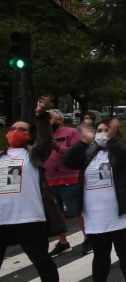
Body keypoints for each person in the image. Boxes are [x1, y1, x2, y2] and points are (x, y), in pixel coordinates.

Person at [63, 118, 126, 282]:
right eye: (99, 130)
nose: (102, 133)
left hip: (120, 213)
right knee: (100, 254)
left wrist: (112, 140)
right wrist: (83, 141)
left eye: (107, 130)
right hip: (95, 215)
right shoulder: (89, 152)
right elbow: (68, 162)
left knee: (125, 251)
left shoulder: (120, 149)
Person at [0, 96, 67, 282]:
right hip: (2, 219)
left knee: (41, 261)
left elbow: (47, 139)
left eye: (21, 129)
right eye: (12, 128)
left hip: (28, 218)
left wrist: (40, 115)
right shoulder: (1, 157)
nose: (15, 131)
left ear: (29, 135)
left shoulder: (34, 155)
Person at [45, 109, 88, 257]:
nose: (47, 122)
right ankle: (62, 241)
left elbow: (76, 153)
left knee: (76, 211)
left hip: (69, 179)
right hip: (49, 180)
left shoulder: (71, 133)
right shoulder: (44, 135)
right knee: (56, 214)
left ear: (60, 120)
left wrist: (57, 147)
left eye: (49, 119)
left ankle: (88, 238)